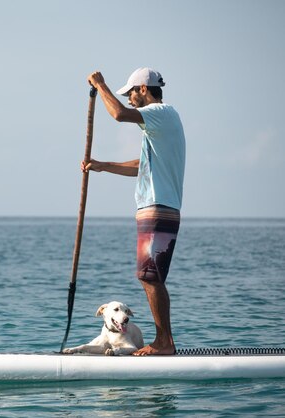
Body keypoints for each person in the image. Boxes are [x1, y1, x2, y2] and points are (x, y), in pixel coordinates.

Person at [82, 68, 185, 356]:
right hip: (154, 206)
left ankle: (164, 342)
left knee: (149, 276)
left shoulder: (162, 112)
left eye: (130, 93)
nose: (128, 99)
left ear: (143, 89)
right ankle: (164, 341)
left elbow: (117, 114)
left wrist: (100, 85)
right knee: (149, 276)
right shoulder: (159, 125)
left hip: (158, 205)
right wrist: (103, 165)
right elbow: (143, 166)